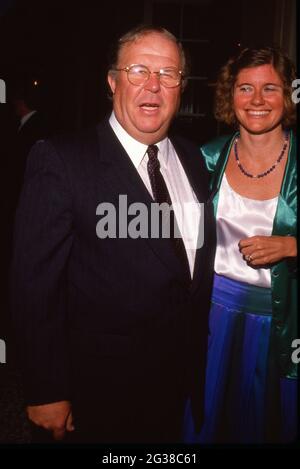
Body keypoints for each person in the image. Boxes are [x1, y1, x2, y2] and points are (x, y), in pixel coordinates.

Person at [10, 25, 215, 444]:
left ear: (181, 87)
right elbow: (33, 286)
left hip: (179, 382)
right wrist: (46, 388)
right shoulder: (62, 160)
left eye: (169, 74)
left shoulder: (194, 158)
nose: (153, 86)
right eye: (139, 70)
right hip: (100, 392)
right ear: (112, 80)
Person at [183, 46, 297, 444]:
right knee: (207, 422)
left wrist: (292, 246)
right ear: (230, 95)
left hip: (284, 325)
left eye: (271, 88)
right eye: (245, 88)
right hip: (212, 321)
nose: (258, 101)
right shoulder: (206, 158)